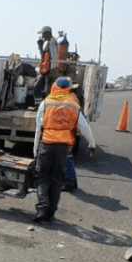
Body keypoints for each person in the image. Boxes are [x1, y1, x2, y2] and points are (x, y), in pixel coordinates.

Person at [32, 77, 97, 223]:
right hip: (63, 147)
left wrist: (35, 150)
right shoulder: (73, 104)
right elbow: (85, 127)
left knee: (42, 177)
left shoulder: (46, 103)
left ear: (54, 87)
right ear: (68, 88)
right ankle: (50, 213)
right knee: (56, 179)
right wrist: (92, 144)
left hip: (46, 144)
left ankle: (41, 208)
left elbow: (38, 128)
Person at [33, 26, 58, 104]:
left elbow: (54, 57)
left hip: (49, 70)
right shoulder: (48, 42)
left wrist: (53, 69)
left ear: (47, 33)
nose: (42, 36)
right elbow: (43, 57)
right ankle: (38, 105)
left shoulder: (52, 42)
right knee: (37, 87)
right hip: (45, 70)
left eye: (43, 34)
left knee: (46, 89)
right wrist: (40, 47)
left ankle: (46, 106)